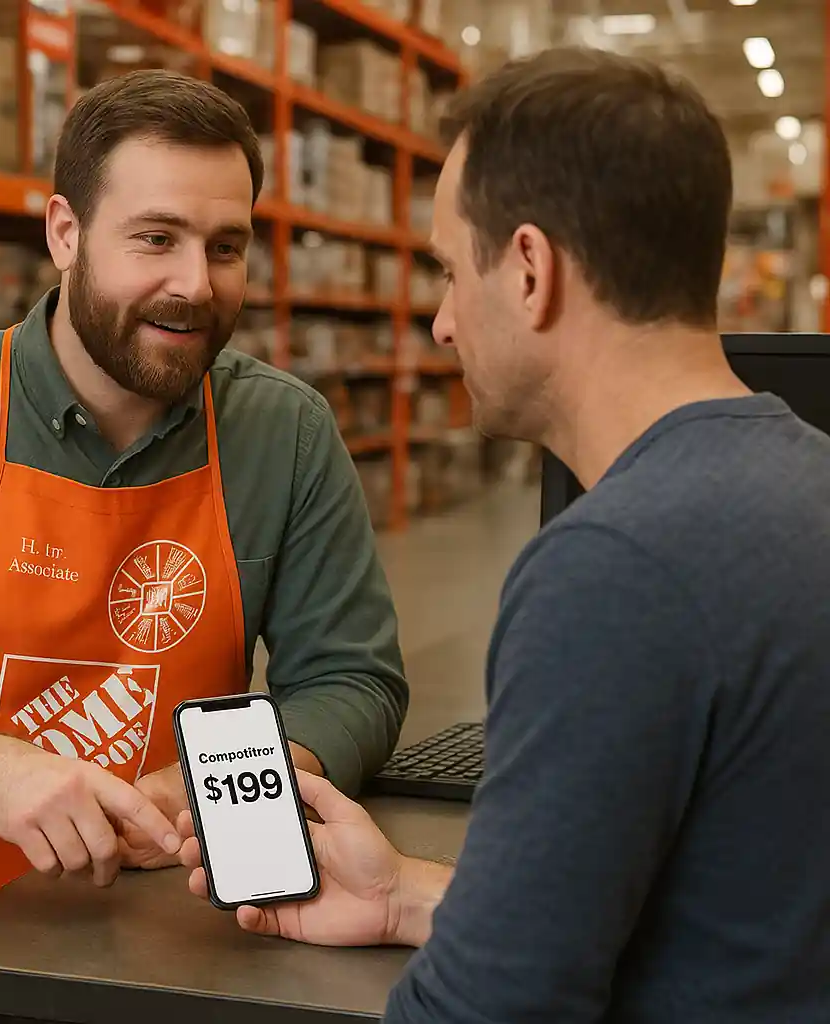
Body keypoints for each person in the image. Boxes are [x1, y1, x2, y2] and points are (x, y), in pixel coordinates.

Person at [179, 46, 830, 1023]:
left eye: (450, 270)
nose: (443, 323)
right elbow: (730, 908)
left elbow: (492, 1008)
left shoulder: (614, 569)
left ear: (530, 270)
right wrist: (408, 896)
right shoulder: (809, 481)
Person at [0, 70, 407, 1024]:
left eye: (226, 247)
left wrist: (215, 787)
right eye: (156, 239)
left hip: (167, 952)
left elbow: (352, 680)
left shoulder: (284, 436)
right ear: (65, 233)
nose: (195, 284)